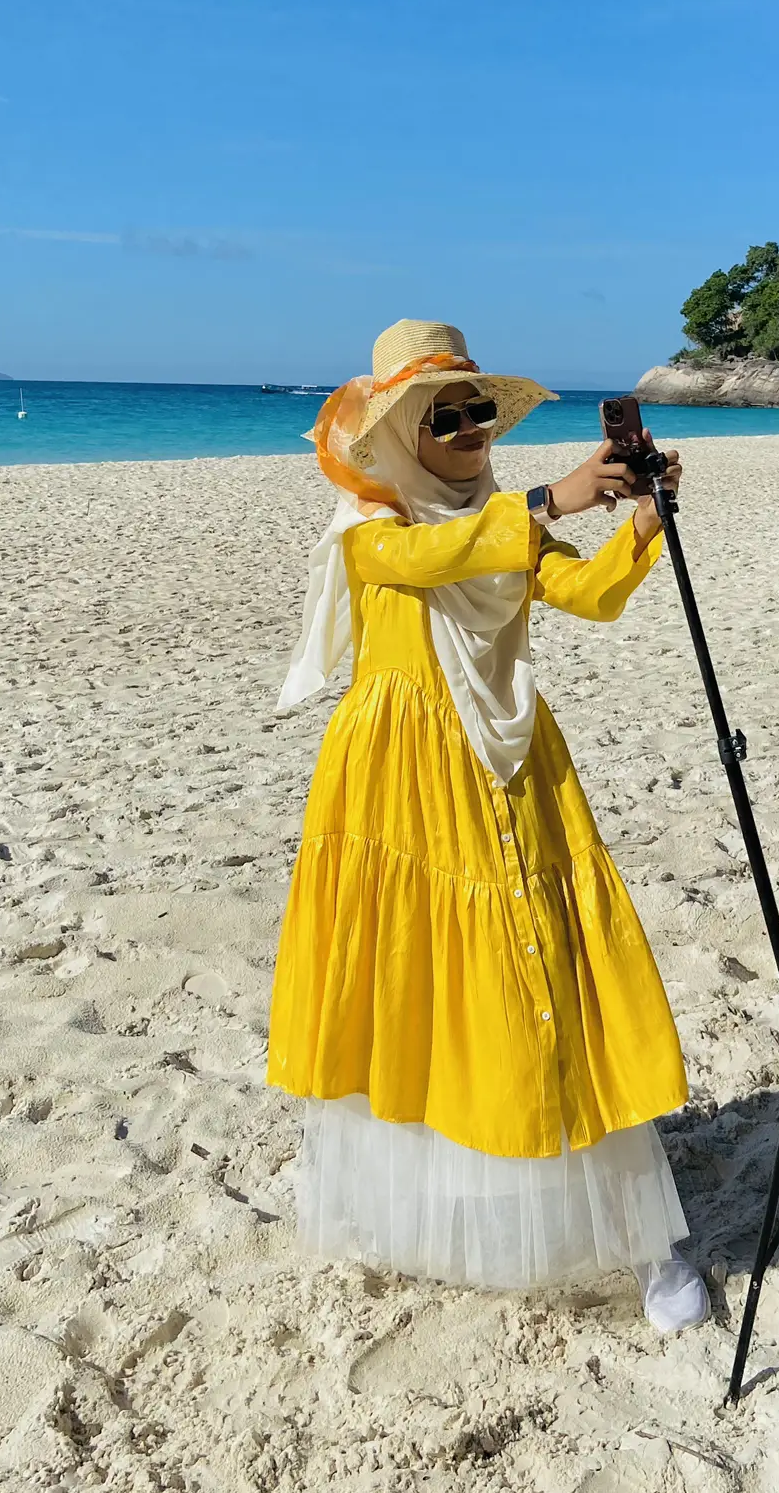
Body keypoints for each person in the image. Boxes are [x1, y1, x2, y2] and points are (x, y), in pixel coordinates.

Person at [268, 319, 708, 1333]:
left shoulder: (499, 517)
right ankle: (462, 1203)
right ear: (398, 435)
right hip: (402, 777)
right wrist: (554, 495)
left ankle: (642, 1237)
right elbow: (438, 555)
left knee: (551, 966)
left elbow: (584, 594)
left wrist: (642, 519)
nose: (469, 429)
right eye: (445, 414)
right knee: (428, 979)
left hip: (508, 757)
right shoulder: (371, 533)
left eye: (477, 412)